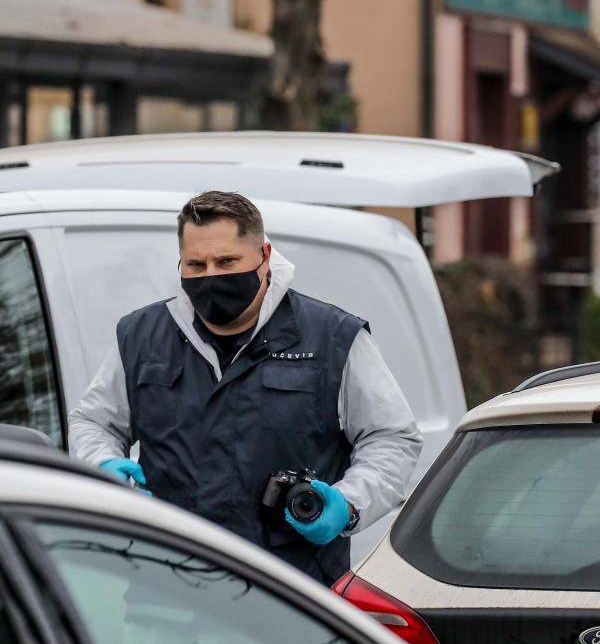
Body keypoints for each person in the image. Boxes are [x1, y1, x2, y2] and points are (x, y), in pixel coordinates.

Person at [69, 190, 422, 584]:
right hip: (164, 595)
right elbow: (95, 422)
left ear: (264, 256)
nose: (211, 277)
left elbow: (392, 437)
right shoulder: (141, 337)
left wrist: (349, 503)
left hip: (295, 599)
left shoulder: (332, 338)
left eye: (226, 262)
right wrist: (100, 466)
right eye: (196, 265)